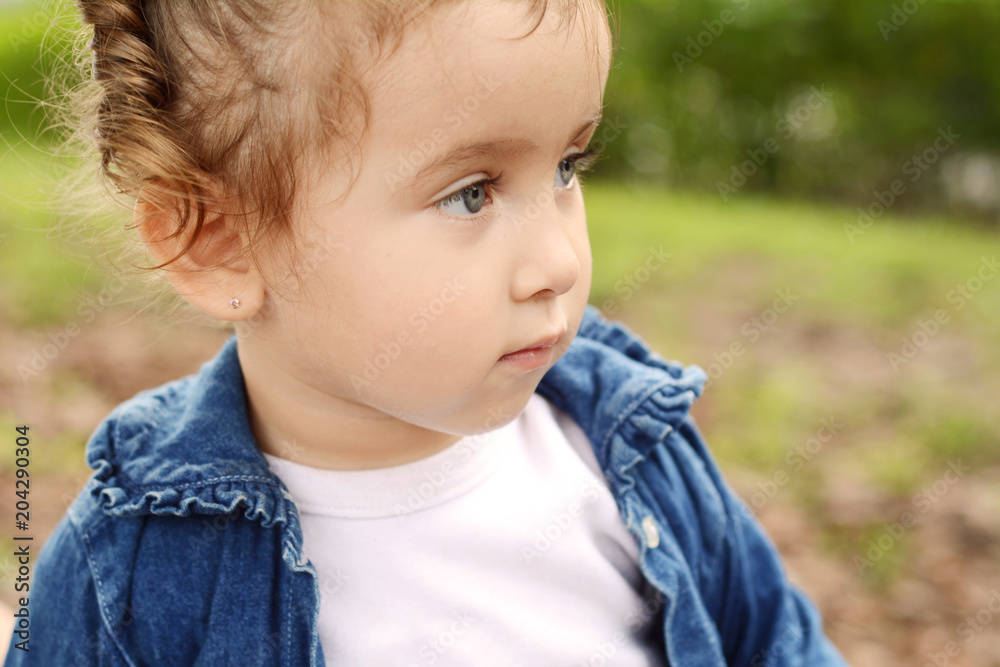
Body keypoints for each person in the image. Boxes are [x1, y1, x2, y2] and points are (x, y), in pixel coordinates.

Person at [5, 0, 848, 664]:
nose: (558, 261)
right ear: (223, 243)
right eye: (471, 193)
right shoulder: (136, 566)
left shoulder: (631, 450)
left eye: (567, 166)